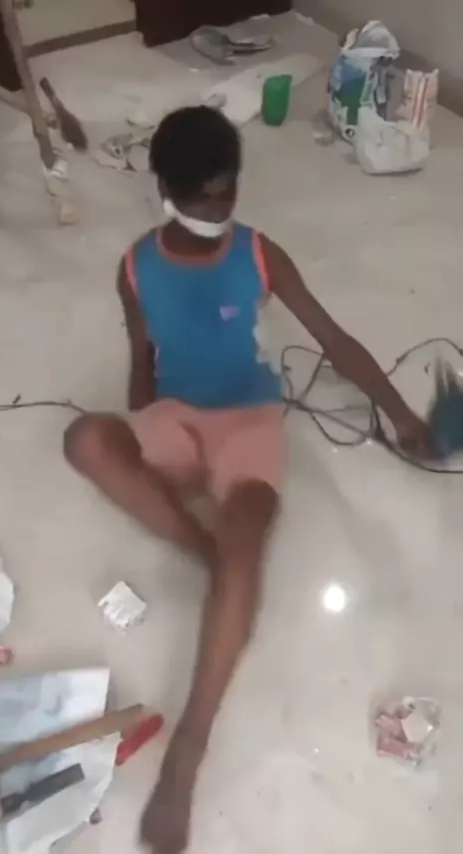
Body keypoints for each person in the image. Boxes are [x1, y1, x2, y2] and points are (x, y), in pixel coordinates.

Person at [64, 106, 431, 853]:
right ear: (165, 190)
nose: (216, 212)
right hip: (176, 414)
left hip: (250, 420)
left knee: (249, 531)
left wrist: (401, 416)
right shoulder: (134, 267)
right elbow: (141, 363)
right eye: (201, 198)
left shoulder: (260, 253)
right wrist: (147, 439)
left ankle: (187, 753)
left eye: (227, 193)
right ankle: (215, 565)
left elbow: (334, 340)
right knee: (85, 440)